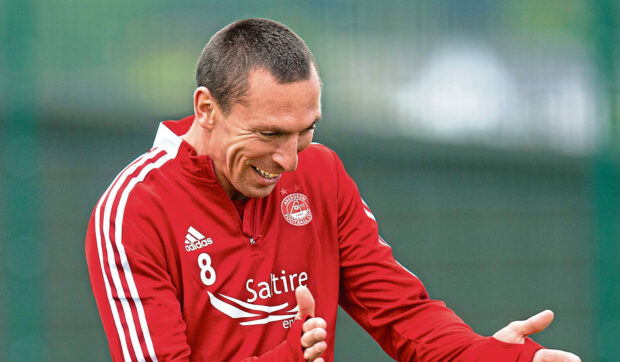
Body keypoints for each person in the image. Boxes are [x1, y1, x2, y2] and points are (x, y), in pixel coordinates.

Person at [85, 18, 580, 361]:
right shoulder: (132, 210)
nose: (289, 159)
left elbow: (402, 314)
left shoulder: (320, 175)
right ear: (206, 109)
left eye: (306, 130)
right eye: (270, 133)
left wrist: (494, 358)